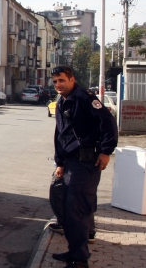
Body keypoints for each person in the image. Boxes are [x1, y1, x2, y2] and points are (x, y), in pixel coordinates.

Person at [50, 65, 117, 268]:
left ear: (72, 79)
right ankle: (74, 251)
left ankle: (79, 260)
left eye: (61, 80)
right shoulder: (63, 101)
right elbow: (61, 135)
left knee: (77, 210)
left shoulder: (84, 97)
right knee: (71, 209)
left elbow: (108, 123)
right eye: (54, 82)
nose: (58, 85)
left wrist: (106, 151)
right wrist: (60, 162)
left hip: (86, 162)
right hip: (71, 163)